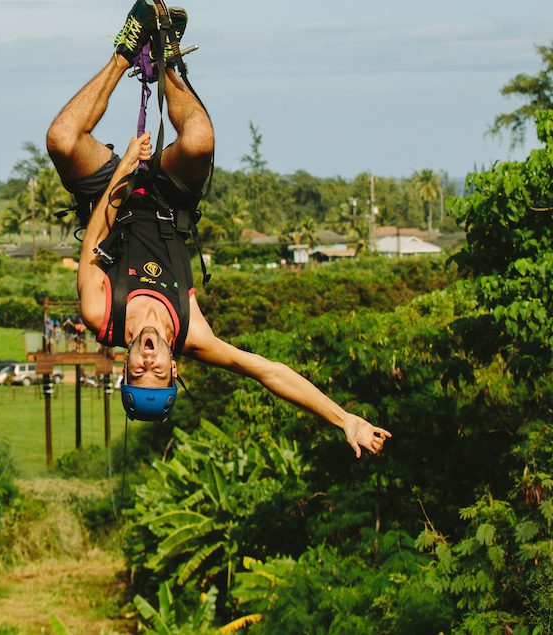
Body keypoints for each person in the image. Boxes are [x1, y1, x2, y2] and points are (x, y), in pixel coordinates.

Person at [47, 0, 392, 458]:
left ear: (124, 367)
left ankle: (126, 53)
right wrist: (343, 418)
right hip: (170, 203)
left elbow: (93, 240)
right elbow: (270, 373)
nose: (148, 362)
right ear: (175, 369)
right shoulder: (195, 335)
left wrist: (125, 170)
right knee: (200, 141)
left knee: (61, 140)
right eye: (158, 373)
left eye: (139, 372)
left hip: (110, 199)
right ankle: (168, 56)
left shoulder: (100, 313)